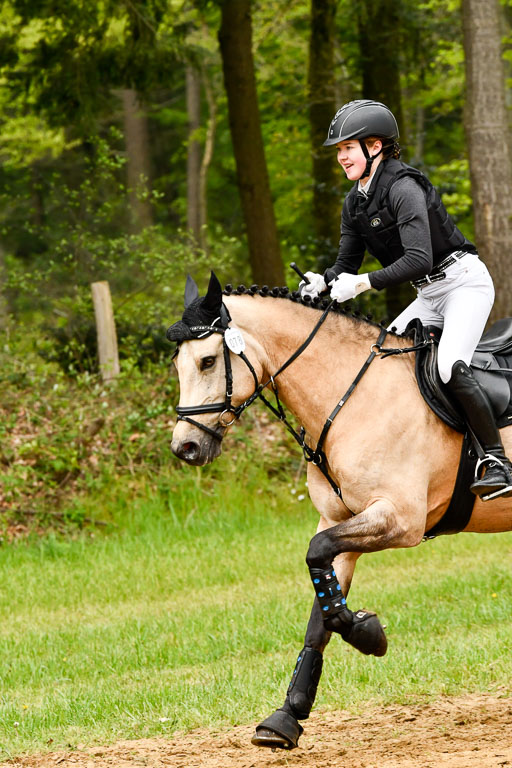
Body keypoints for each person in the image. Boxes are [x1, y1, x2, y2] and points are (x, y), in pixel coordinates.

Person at [301, 99, 512, 500]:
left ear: (375, 146)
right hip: (429, 294)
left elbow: (417, 259)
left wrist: (361, 284)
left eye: (348, 147)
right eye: (339, 150)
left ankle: (498, 461)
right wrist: (323, 282)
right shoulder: (355, 201)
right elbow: (346, 263)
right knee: (382, 361)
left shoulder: (404, 188)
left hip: (463, 284)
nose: (341, 157)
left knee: (450, 366)